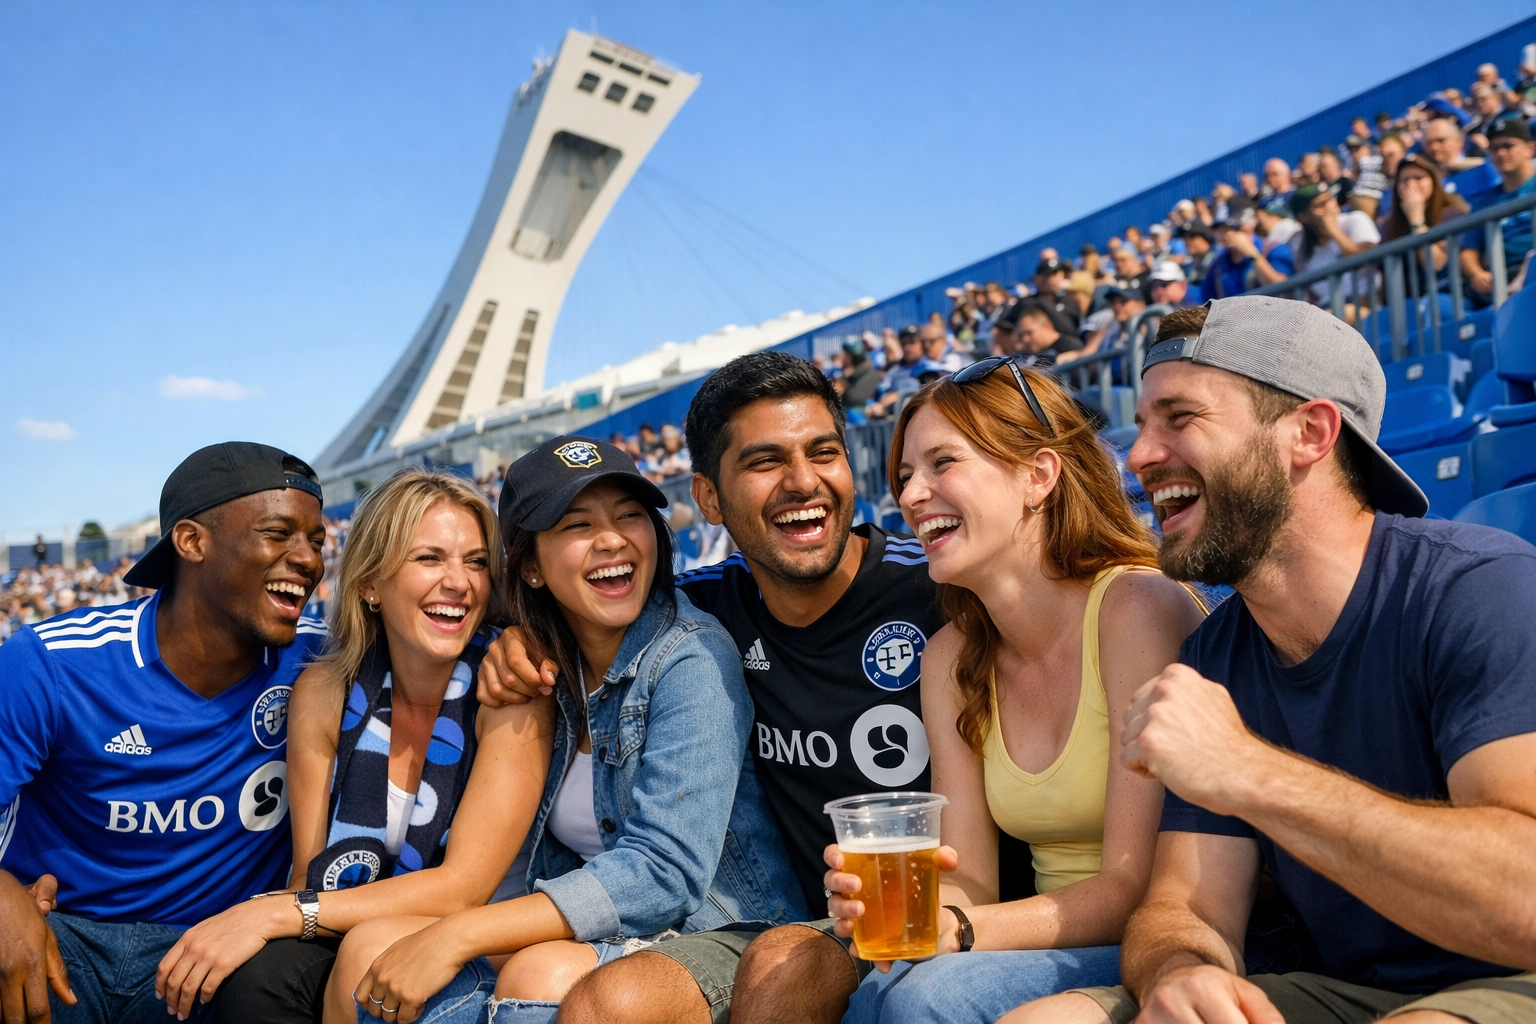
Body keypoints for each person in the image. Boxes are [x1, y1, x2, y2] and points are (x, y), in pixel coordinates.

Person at [1007, 296, 1536, 1024]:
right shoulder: (1216, 653)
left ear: (1309, 432)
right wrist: (1180, 971)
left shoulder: (1480, 589)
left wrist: (1248, 770)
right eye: (1144, 423)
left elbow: (1526, 901)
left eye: (1181, 418)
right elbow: (1185, 904)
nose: (1137, 456)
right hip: (1339, 993)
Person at [476, 353, 947, 1024]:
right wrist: (517, 638)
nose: (803, 481)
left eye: (824, 452)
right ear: (708, 499)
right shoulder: (703, 603)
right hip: (799, 926)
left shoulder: (936, 593)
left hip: (920, 911)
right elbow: (588, 600)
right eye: (764, 463)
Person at [341, 437, 802, 1024]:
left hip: (724, 936)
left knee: (542, 972)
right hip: (604, 936)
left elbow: (663, 876)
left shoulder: (692, 657)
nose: (612, 539)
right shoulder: (540, 662)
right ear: (530, 566)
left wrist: (460, 933)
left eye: (631, 516)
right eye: (577, 524)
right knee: (369, 949)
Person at [820, 358, 1205, 1024]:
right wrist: (921, 915)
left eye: (942, 463)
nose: (912, 495)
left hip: (1169, 941)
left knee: (923, 999)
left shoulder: (1136, 609)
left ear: (1038, 476)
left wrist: (959, 932)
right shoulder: (950, 658)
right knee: (866, 987)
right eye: (906, 476)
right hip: (1052, 947)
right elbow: (971, 881)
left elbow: (1133, 885)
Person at [147, 470, 555, 1024]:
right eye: (429, 559)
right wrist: (274, 919)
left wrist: (274, 915)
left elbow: (463, 888)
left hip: (478, 935)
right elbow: (308, 873)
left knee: (345, 956)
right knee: (252, 984)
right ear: (370, 584)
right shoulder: (323, 690)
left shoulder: (509, 688)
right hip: (349, 920)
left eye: (477, 562)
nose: (460, 582)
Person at [0, 442, 328, 1024]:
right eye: (279, 534)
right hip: (59, 938)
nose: (309, 560)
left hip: (215, 955)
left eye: (317, 541)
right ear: (191, 541)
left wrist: (512, 648)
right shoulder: (52, 663)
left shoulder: (321, 659)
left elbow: (445, 646)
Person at [1461, 116, 1536, 305]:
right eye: (1494, 149)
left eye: (1508, 146)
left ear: (1530, 149)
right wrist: (1477, 273)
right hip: (1500, 276)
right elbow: (1468, 249)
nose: (1501, 153)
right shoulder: (1483, 203)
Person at [1381, 154, 1468, 295]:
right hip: (1405, 303)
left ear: (1433, 181)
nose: (1411, 185)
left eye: (1418, 178)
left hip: (1448, 294)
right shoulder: (1390, 226)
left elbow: (1435, 263)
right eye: (1404, 180)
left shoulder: (1452, 215)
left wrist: (1416, 219)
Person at [1289, 183, 1379, 310]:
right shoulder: (1299, 243)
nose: (1330, 207)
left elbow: (1364, 262)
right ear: (1303, 217)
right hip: (1326, 308)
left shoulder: (1355, 220)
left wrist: (1334, 231)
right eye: (1320, 205)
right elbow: (1306, 287)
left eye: (1330, 199)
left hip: (1364, 303)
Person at [1421, 116, 1501, 200]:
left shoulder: (1484, 167)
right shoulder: (1421, 175)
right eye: (1428, 143)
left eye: (1441, 140)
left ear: (1459, 140)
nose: (1434, 147)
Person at [869, 326, 926, 418]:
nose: (907, 347)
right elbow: (879, 393)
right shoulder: (894, 371)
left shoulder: (929, 368)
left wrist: (892, 398)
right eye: (903, 343)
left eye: (912, 341)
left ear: (922, 343)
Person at [1015, 303, 1085, 365]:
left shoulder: (1069, 344)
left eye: (1029, 333)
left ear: (1047, 326)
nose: (1025, 339)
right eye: (1021, 336)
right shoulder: (1033, 357)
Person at [840, 340, 882, 408]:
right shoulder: (848, 374)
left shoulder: (871, 374)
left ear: (851, 357)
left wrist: (844, 382)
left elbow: (854, 398)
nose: (842, 357)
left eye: (846, 354)